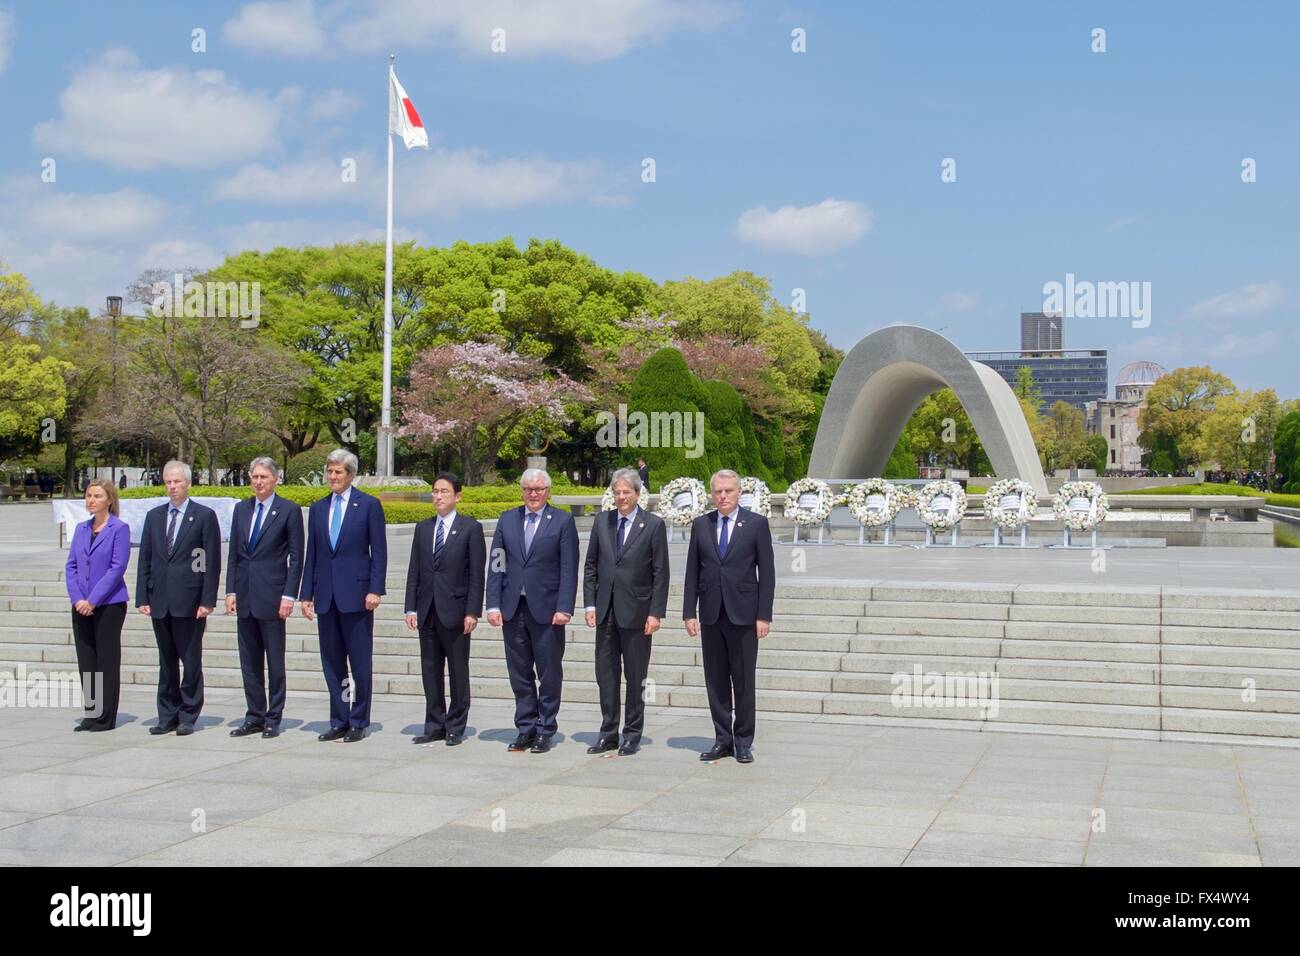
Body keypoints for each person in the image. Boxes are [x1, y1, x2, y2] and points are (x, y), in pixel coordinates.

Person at [682, 468, 775, 764]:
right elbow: (692, 571)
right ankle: (722, 739)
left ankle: (743, 741)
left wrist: (764, 615)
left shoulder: (756, 525)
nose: (722, 496)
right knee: (716, 680)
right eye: (718, 492)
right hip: (711, 614)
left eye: (728, 491)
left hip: (744, 615)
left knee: (744, 680)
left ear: (739, 493)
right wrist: (689, 611)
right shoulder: (701, 525)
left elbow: (768, 573)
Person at [486, 468, 578, 754]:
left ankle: (546, 728)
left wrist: (565, 607)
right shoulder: (507, 519)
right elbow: (497, 563)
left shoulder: (562, 521)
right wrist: (493, 603)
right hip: (514, 609)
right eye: (529, 489)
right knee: (519, 672)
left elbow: (568, 568)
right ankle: (525, 727)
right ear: (522, 491)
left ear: (548, 492)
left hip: (548, 610)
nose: (534, 494)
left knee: (549, 672)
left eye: (539, 489)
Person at [300, 449, 386, 742]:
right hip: (326, 595)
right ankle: (339, 718)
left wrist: (375, 589)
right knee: (333, 662)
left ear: (351, 474)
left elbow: (379, 552)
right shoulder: (319, 507)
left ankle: (359, 719)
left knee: (360, 662)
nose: (332, 477)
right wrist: (306, 594)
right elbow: (312, 553)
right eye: (329, 471)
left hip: (358, 595)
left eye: (338, 472)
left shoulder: (369, 506)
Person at [582, 468, 669, 756]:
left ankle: (632, 733)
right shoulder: (602, 522)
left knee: (635, 677)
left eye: (626, 492)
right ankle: (608, 732)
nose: (621, 497)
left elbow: (660, 573)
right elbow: (591, 565)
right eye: (617, 492)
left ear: (637, 493)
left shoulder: (653, 525)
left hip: (637, 614)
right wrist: (590, 604)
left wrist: (656, 613)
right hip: (605, 612)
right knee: (605, 675)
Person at [135, 461, 221, 736]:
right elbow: (145, 558)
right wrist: (142, 596)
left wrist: (207, 599)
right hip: (160, 599)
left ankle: (188, 714)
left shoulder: (203, 516)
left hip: (190, 601)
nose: (172, 486)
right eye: (168, 482)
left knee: (191, 660)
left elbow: (209, 561)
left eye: (177, 482)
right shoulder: (155, 516)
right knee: (166, 660)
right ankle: (167, 714)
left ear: (188, 483)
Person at [224, 457, 304, 739]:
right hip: (245, 593)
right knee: (249, 660)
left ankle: (273, 716)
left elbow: (297, 557)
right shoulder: (241, 509)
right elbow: (234, 553)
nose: (258, 482)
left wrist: (289, 594)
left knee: (275, 661)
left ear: (275, 479)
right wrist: (230, 590)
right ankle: (254, 715)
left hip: (273, 595)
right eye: (254, 477)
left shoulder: (288, 511)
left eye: (263, 477)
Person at [404, 473, 485, 747]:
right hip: (427, 610)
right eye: (435, 491)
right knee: (430, 670)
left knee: (458, 671)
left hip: (456, 612)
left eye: (444, 492)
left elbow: (476, 575)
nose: (438, 496)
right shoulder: (423, 528)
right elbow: (414, 570)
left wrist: (472, 611)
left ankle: (456, 725)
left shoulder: (470, 528)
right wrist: (410, 608)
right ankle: (434, 723)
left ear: (458, 496)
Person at [65, 478, 129, 732]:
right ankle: (92, 712)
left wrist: (93, 600)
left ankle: (105, 717)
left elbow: (117, 568)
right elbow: (71, 566)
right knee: (87, 660)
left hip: (109, 604)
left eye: (97, 496)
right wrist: (78, 599)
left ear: (109, 500)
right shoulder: (81, 528)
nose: (91, 500)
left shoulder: (119, 529)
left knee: (106, 660)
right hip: (81, 604)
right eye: (89, 496)